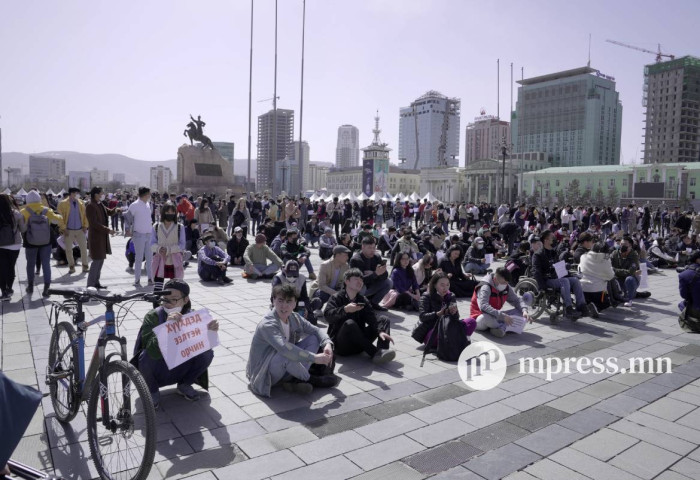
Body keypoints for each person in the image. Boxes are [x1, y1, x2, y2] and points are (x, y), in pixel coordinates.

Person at [135, 280, 217, 408]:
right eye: (165, 299)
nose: (168, 304)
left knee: (207, 353)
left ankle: (185, 384)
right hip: (159, 367)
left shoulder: (193, 316)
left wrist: (210, 333)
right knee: (145, 356)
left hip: (181, 366)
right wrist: (166, 328)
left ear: (185, 300)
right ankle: (152, 391)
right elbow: (151, 350)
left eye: (173, 299)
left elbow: (203, 344)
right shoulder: (153, 316)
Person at [247, 283, 336, 396]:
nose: (284, 306)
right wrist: (314, 358)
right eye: (280, 300)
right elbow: (284, 348)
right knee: (284, 354)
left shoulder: (295, 317)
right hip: (264, 372)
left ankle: (295, 379)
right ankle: (310, 379)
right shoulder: (268, 324)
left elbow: (316, 330)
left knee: (314, 338)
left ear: (295, 303)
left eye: (289, 301)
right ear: (273, 301)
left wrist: (327, 344)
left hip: (285, 364)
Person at [323, 269, 396, 364]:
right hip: (342, 346)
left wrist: (380, 331)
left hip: (360, 344)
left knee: (383, 319)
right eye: (356, 279)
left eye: (361, 280)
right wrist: (345, 309)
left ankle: (382, 351)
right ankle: (375, 353)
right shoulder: (336, 297)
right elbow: (328, 316)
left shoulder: (362, 299)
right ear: (347, 281)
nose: (360, 282)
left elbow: (372, 318)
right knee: (349, 323)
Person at [532, 229, 591, 320]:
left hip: (556, 278)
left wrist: (569, 272)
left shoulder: (554, 252)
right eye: (552, 238)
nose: (554, 239)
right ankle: (568, 308)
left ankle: (581, 306)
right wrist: (542, 287)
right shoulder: (538, 254)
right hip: (546, 280)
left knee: (575, 280)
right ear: (546, 240)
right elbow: (536, 271)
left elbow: (559, 268)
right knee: (565, 281)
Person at [19, 190, 62, 297]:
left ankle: (30, 286)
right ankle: (46, 288)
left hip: (30, 241)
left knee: (30, 264)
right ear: (39, 199)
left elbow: (21, 227)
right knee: (46, 264)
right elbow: (58, 221)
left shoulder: (24, 211)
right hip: (46, 241)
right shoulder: (46, 210)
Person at [415, 272, 474, 346]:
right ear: (435, 285)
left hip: (448, 327)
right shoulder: (426, 296)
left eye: (447, 284)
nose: (445, 288)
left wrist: (454, 312)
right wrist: (439, 313)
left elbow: (456, 318)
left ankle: (453, 340)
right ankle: (456, 340)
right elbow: (422, 317)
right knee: (441, 334)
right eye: (442, 285)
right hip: (432, 330)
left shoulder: (451, 296)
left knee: (471, 322)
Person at [471, 268, 530, 337]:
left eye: (507, 283)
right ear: (495, 279)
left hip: (496, 315)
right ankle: (502, 327)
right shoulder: (485, 287)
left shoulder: (506, 286)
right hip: (480, 317)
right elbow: (483, 306)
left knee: (520, 312)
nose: (505, 285)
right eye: (503, 283)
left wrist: (524, 311)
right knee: (485, 317)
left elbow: (517, 300)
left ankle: (499, 328)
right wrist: (502, 316)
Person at [150, 202, 187, 293]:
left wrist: (169, 250)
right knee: (158, 289)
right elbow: (151, 243)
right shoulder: (156, 226)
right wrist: (159, 248)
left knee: (176, 288)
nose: (170, 214)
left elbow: (182, 245)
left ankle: (175, 306)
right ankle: (156, 305)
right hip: (160, 260)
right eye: (168, 212)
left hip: (175, 261)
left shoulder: (179, 227)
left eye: (172, 212)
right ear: (163, 213)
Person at [349, 236, 393, 310]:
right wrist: (375, 274)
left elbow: (385, 275)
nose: (372, 250)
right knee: (361, 286)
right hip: (361, 288)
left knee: (389, 282)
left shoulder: (377, 257)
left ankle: (374, 303)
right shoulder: (356, 260)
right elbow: (359, 280)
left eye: (374, 247)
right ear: (363, 247)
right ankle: (357, 306)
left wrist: (374, 273)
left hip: (372, 285)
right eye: (369, 248)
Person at [56, 187, 89, 274]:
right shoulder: (62, 204)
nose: (78, 195)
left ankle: (85, 266)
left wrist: (85, 226)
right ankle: (71, 266)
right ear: (71, 194)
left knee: (84, 248)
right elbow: (60, 218)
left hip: (80, 230)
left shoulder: (81, 203)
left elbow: (85, 215)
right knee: (68, 249)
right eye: (76, 193)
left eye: (78, 193)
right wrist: (63, 228)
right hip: (68, 230)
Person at [310, 245, 351, 313]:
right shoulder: (325, 265)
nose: (347, 257)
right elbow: (321, 285)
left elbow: (344, 283)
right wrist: (335, 293)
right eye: (345, 255)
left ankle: (333, 310)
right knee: (323, 294)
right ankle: (317, 308)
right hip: (321, 289)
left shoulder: (346, 266)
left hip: (336, 289)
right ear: (337, 255)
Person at [127, 187, 155, 287]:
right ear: (145, 194)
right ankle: (137, 280)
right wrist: (128, 230)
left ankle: (150, 279)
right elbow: (127, 218)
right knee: (138, 258)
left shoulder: (148, 204)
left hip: (149, 234)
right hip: (138, 234)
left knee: (149, 258)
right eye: (149, 193)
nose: (150, 195)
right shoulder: (134, 205)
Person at [0, 194, 25, 300]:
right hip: (15, 244)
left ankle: (4, 292)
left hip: (0, 245)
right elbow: (23, 229)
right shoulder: (16, 213)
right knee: (11, 267)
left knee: (1, 268)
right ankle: (9, 288)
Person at [578, 243, 614, 316]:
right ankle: (597, 307)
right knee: (606, 304)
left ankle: (588, 304)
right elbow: (611, 276)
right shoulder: (605, 261)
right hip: (597, 291)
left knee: (588, 298)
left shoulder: (583, 257)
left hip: (583, 288)